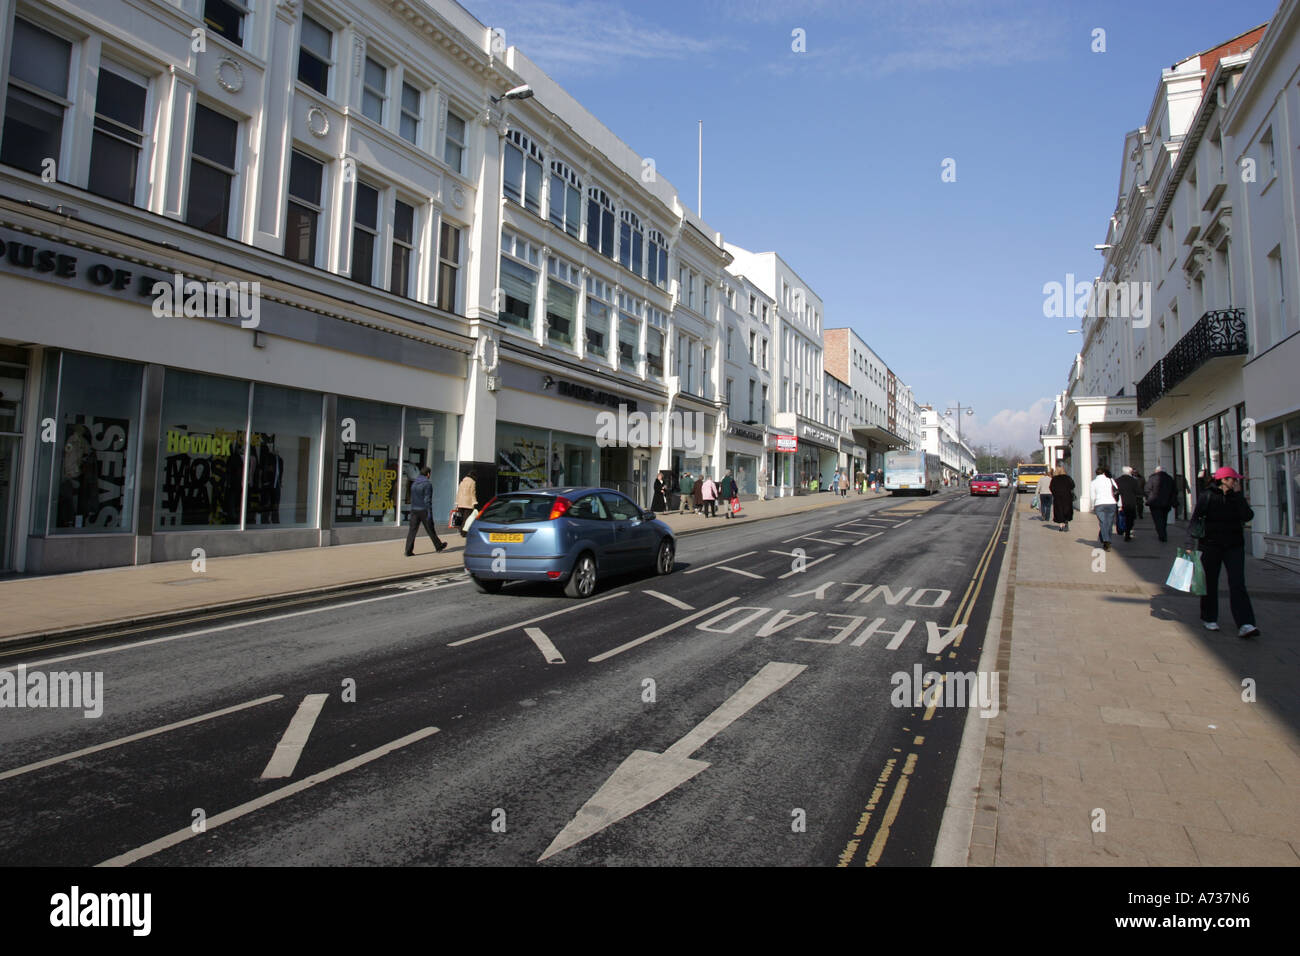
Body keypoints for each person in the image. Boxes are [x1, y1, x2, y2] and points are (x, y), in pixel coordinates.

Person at [1191, 467, 1260, 638]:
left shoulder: (1236, 498)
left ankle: (1245, 623)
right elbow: (1196, 518)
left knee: (1237, 583)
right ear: (1223, 480)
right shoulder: (1207, 496)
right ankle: (1209, 617)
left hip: (1234, 545)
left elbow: (1247, 516)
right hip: (1210, 545)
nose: (1236, 482)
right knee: (1210, 582)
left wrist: (1238, 496)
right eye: (1233, 479)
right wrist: (1190, 542)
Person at [405, 466, 448, 556]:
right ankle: (438, 546)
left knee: (412, 531)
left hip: (414, 510)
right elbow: (427, 500)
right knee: (430, 529)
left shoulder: (414, 483)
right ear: (428, 474)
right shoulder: (427, 484)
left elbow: (411, 497)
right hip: (424, 510)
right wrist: (430, 513)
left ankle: (408, 551)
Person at [1090, 466, 1119, 551]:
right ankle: (1107, 540)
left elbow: (1092, 496)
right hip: (1111, 503)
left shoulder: (1093, 482)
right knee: (1109, 523)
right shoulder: (1110, 480)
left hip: (1099, 504)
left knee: (1103, 522)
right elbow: (1116, 490)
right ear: (1103, 473)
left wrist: (1092, 505)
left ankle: (1106, 541)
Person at [1145, 465, 1175, 542]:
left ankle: (1162, 535)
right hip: (1166, 503)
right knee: (1164, 519)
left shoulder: (1152, 478)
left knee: (1157, 520)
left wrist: (1150, 497)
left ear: (1156, 471)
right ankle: (1163, 533)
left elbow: (1147, 489)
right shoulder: (1170, 478)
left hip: (1155, 503)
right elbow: (1174, 491)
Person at [1115, 465, 1141, 542]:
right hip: (1130, 503)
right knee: (1130, 519)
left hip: (1120, 502)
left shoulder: (1117, 480)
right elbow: (1138, 491)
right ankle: (1127, 533)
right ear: (1130, 472)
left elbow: (1115, 491)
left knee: (1121, 517)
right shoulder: (1133, 481)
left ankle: (1121, 530)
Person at [1049, 465, 1074, 532]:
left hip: (1058, 498)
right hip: (1067, 497)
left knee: (1059, 510)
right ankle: (1066, 521)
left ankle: (1061, 525)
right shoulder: (1068, 478)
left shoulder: (1054, 479)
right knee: (1066, 510)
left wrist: (1055, 493)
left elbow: (1051, 488)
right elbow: (1072, 485)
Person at [454, 469, 478, 537]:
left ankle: (461, 530)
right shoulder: (472, 482)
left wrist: (457, 502)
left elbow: (459, 492)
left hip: (460, 502)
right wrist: (474, 502)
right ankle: (464, 532)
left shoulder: (462, 481)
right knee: (467, 519)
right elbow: (472, 493)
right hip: (468, 503)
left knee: (461, 518)